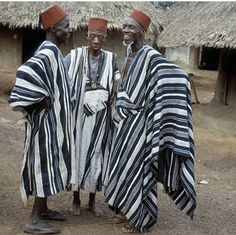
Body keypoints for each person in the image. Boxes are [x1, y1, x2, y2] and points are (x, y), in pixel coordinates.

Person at [104, 10, 196, 233]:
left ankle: (141, 219)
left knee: (140, 170)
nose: (126, 30)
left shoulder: (151, 56)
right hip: (124, 124)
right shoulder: (128, 52)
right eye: (124, 26)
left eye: (131, 27)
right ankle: (123, 210)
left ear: (142, 32)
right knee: (122, 167)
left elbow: (179, 76)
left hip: (141, 124)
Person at [9, 5, 74, 234]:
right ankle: (34, 220)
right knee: (43, 166)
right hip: (46, 125)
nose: (70, 30)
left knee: (50, 163)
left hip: (52, 123)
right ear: (54, 29)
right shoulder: (47, 53)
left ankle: (43, 209)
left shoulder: (54, 51)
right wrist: (38, 103)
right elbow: (24, 75)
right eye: (66, 27)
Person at [65, 17, 120, 217]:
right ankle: (76, 199)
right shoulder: (76, 56)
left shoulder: (111, 59)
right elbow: (62, 74)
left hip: (101, 119)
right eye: (93, 36)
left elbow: (117, 80)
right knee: (78, 155)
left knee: (97, 156)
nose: (97, 40)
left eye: (101, 37)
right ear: (87, 37)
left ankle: (92, 200)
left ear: (105, 38)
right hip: (80, 117)